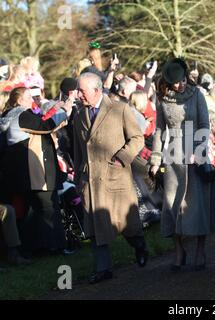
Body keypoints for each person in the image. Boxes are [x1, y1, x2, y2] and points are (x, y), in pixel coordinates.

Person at [73, 72, 148, 284]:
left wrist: (122, 157)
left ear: (97, 90)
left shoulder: (119, 109)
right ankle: (103, 269)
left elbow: (137, 138)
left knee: (126, 224)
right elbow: (78, 150)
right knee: (97, 228)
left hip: (115, 177)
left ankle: (140, 246)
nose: (79, 95)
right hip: (91, 181)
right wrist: (80, 177)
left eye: (82, 90)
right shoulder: (79, 116)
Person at [149, 58, 215, 272]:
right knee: (172, 204)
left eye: (183, 79)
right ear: (169, 82)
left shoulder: (196, 94)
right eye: (177, 82)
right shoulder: (163, 99)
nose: (181, 84)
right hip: (173, 155)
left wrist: (198, 151)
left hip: (196, 153)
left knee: (197, 205)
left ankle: (200, 248)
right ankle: (179, 249)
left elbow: (205, 125)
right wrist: (155, 158)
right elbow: (160, 130)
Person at [0, 87, 72, 255]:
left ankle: (36, 248)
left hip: (29, 173)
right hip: (35, 172)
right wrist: (64, 112)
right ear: (18, 101)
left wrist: (58, 111)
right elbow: (45, 126)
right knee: (48, 208)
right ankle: (54, 247)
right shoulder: (21, 115)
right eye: (27, 97)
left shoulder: (14, 116)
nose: (31, 100)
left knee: (37, 210)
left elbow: (43, 121)